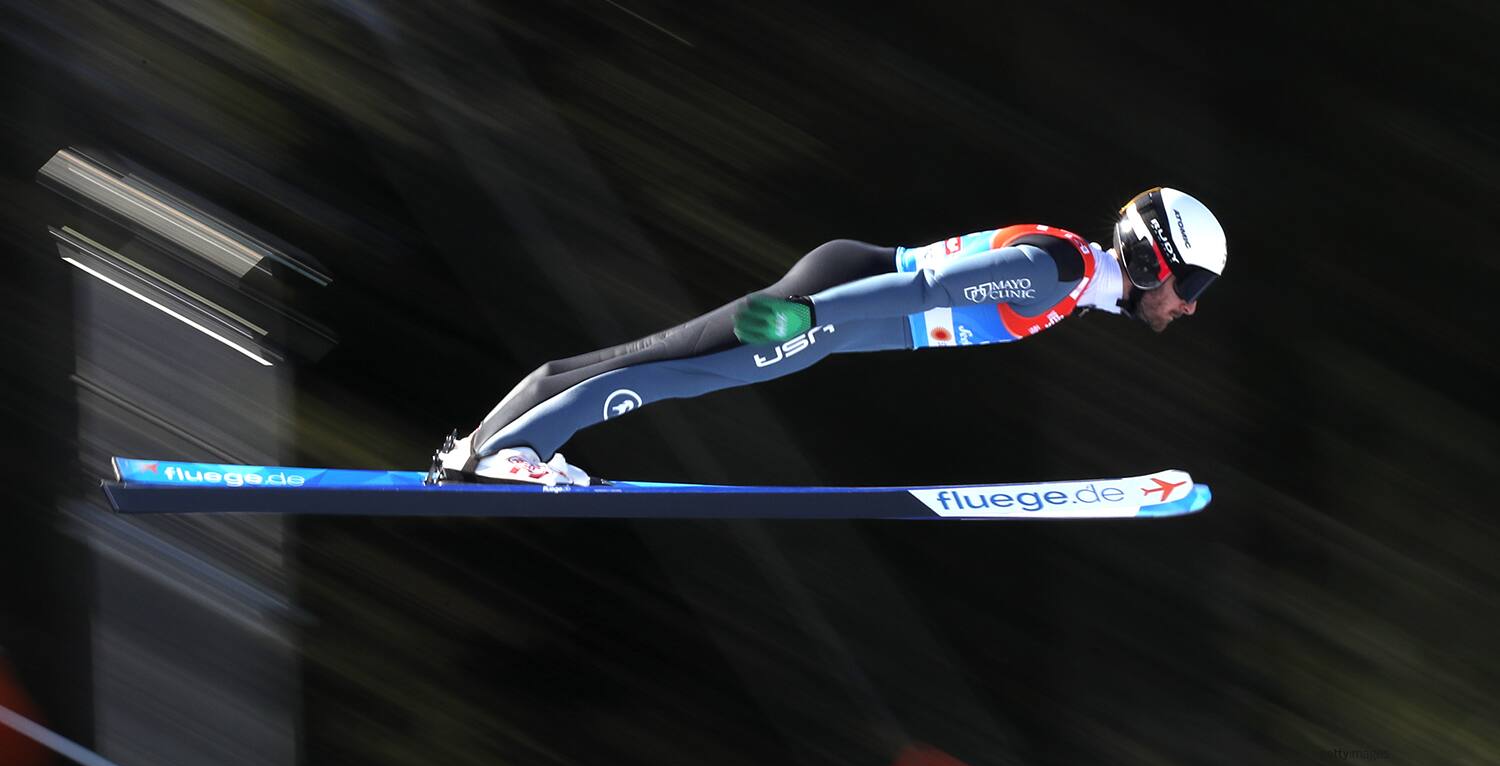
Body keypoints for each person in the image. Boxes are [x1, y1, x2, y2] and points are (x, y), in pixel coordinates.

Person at [429, 187, 1227, 485]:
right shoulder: (1059, 272)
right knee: (677, 372)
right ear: (1155, 258)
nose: (1189, 307)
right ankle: (509, 455)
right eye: (1190, 287)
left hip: (840, 308)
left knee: (657, 358)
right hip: (834, 304)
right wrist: (812, 318)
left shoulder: (1080, 277)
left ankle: (485, 443)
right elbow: (923, 290)